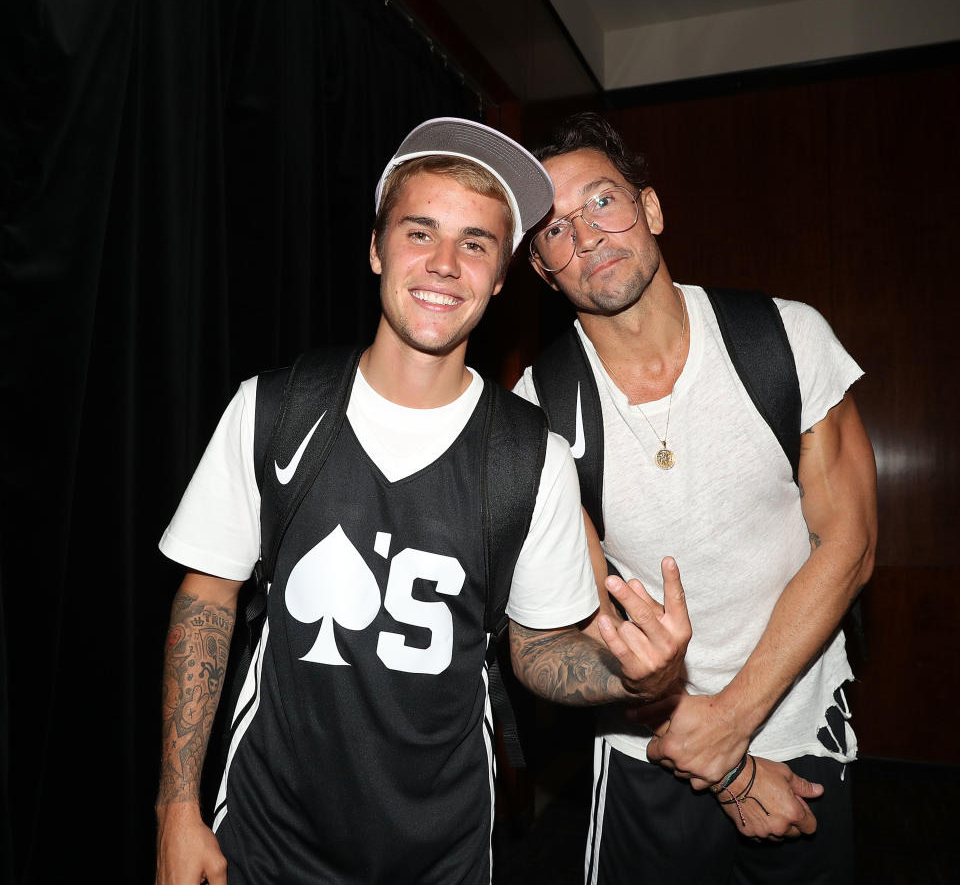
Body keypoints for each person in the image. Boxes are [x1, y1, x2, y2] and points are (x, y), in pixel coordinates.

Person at [154, 117, 693, 885]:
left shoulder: (529, 454)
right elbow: (206, 597)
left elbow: (538, 651)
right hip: (267, 843)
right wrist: (176, 810)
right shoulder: (273, 411)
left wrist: (633, 677)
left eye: (476, 243)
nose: (445, 264)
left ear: (502, 275)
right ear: (377, 248)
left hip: (445, 854)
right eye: (420, 232)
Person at [513, 113, 878, 884]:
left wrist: (734, 729)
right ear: (544, 272)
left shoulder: (786, 337)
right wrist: (729, 770)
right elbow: (585, 625)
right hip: (650, 750)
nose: (586, 235)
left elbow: (850, 546)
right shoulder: (536, 409)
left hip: (801, 729)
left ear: (650, 209)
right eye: (554, 229)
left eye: (602, 202)